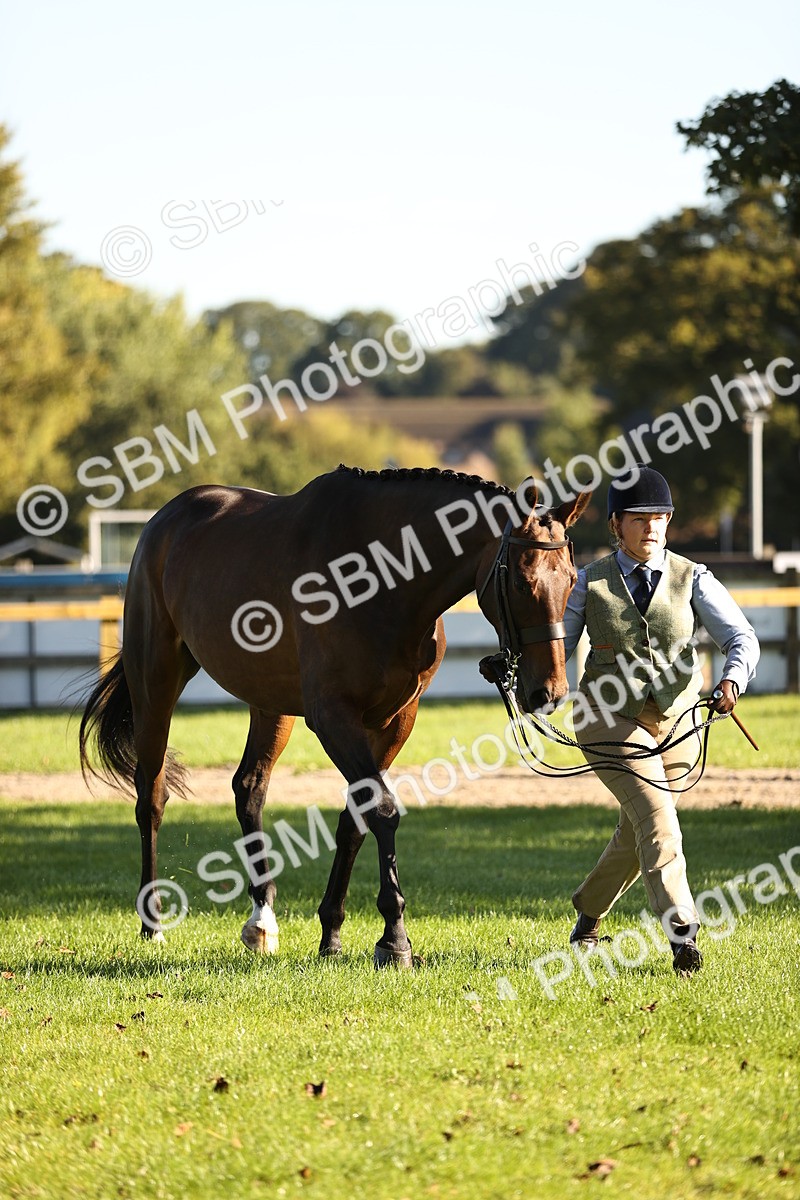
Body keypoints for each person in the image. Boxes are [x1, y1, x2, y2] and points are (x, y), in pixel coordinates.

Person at [562, 464, 760, 975]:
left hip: (678, 722)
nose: (652, 526)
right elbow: (556, 643)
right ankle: (684, 938)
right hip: (606, 717)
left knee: (636, 833)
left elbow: (742, 638)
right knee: (659, 822)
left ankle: (587, 917)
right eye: (639, 517)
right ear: (614, 525)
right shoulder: (588, 583)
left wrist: (732, 680)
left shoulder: (693, 577)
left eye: (660, 516)